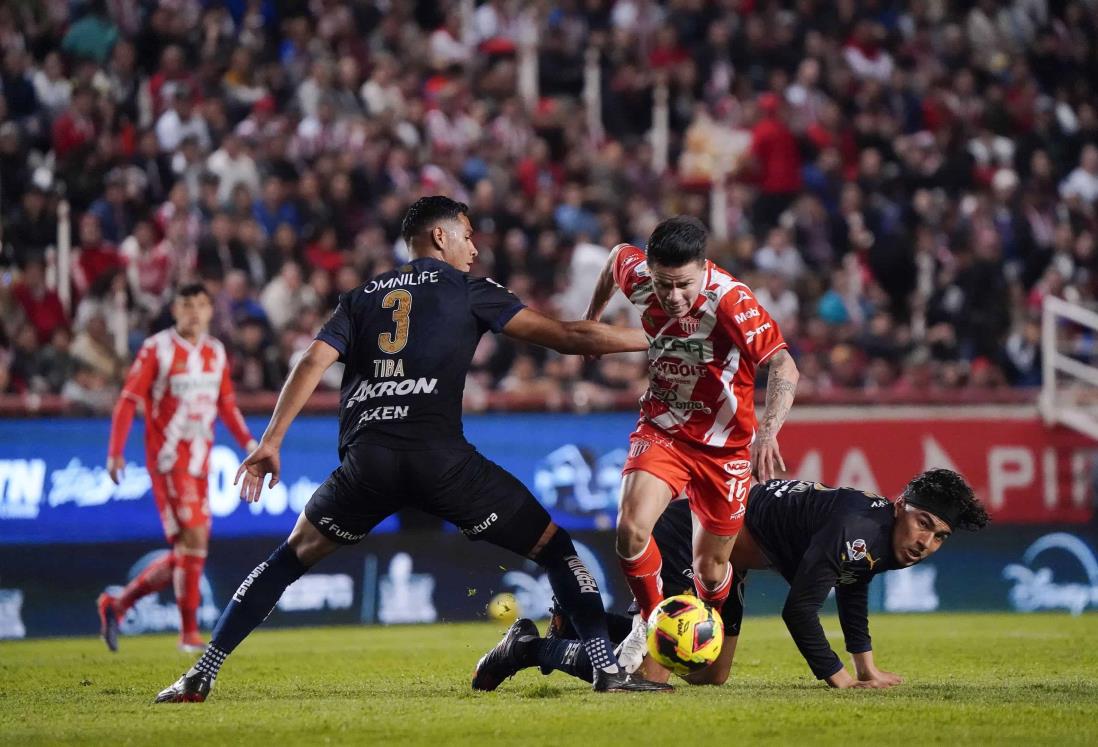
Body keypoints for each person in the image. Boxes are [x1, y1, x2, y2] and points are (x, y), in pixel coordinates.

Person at [154, 196, 670, 703]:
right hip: (441, 462)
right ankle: (605, 669)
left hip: (367, 464)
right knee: (555, 549)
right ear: (439, 236)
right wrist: (655, 337)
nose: (474, 247)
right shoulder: (469, 289)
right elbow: (565, 336)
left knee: (288, 559)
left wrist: (271, 441)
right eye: (467, 235)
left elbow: (312, 361)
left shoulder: (360, 296)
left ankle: (201, 673)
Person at [484, 469, 989, 689]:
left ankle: (576, 623)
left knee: (711, 673)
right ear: (902, 507)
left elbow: (851, 588)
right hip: (693, 539)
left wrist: (867, 667)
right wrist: (839, 679)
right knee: (645, 678)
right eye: (924, 524)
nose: (926, 542)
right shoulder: (857, 528)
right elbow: (800, 610)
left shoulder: (886, 537)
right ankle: (529, 647)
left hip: (729, 562)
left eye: (940, 536)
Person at [583, 216, 800, 672]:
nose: (674, 296)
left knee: (711, 571)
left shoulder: (732, 301)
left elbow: (783, 366)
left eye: (683, 285)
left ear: (703, 269)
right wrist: (593, 318)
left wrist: (768, 430)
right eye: (664, 285)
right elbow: (613, 258)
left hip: (724, 449)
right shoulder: (638, 273)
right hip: (663, 430)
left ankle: (707, 628)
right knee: (631, 530)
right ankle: (649, 621)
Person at [98, 283, 257, 652]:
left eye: (201, 305)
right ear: (174, 309)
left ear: (210, 311)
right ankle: (188, 636)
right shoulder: (158, 348)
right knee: (195, 540)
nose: (194, 312)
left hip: (202, 461)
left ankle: (117, 604)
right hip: (169, 461)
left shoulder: (216, 352)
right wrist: (115, 451)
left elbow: (227, 406)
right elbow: (128, 400)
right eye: (187, 305)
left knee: (190, 550)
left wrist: (251, 444)